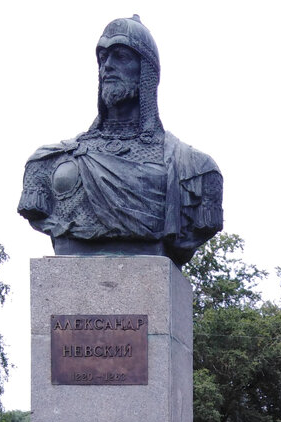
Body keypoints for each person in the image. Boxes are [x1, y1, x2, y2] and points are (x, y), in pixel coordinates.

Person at [19, 15, 223, 266]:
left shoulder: (195, 170)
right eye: (103, 58)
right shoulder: (47, 163)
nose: (108, 66)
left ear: (146, 72)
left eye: (121, 56)